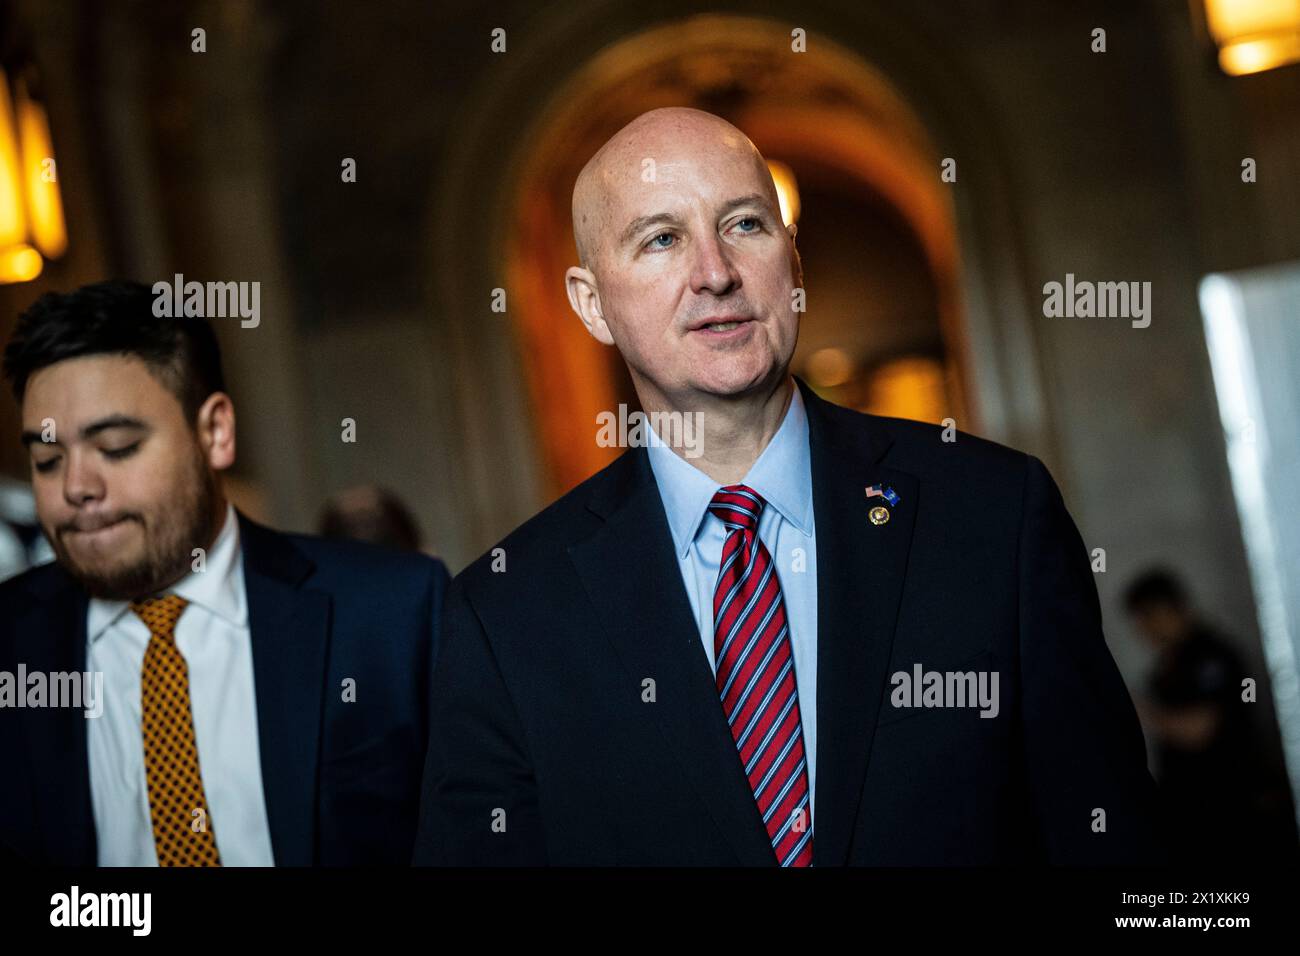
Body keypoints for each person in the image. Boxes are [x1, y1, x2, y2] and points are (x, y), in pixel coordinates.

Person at [414, 107, 1165, 865]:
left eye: (744, 225)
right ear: (591, 303)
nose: (715, 272)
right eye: (662, 239)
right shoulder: (505, 614)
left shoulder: (993, 517)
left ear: (793, 264)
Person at [0, 280, 448, 866]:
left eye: (115, 447)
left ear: (215, 432)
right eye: (48, 460)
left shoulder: (391, 614)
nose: (76, 487)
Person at [1125, 568, 1297, 863]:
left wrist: (1140, 712)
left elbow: (1200, 730)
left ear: (1173, 607)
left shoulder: (1213, 655)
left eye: (1149, 616)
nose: (1145, 628)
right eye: (1140, 620)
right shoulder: (1164, 671)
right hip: (1192, 812)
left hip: (1232, 809)